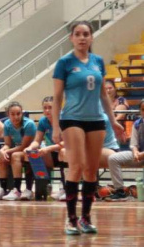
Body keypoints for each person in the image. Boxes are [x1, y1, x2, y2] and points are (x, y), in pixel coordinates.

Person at [52, 21, 124, 235]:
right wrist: (56, 126)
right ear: (71, 38)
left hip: (96, 120)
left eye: (86, 34)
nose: (82, 37)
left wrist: (112, 120)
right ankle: (71, 219)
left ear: (91, 38)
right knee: (76, 166)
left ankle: (86, 218)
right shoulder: (64, 63)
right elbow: (56, 98)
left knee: (91, 170)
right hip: (72, 118)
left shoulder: (98, 62)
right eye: (78, 34)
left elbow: (103, 95)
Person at [0, 102, 36, 201]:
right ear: (8, 114)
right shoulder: (7, 124)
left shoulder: (29, 124)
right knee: (1, 158)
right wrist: (2, 151)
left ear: (22, 114)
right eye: (12, 114)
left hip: (31, 151)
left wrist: (7, 151)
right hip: (19, 150)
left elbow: (24, 146)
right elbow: (7, 144)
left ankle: (18, 190)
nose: (16, 117)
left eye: (18, 114)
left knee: (15, 155)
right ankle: (2, 189)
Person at [28, 96, 65, 200]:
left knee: (63, 151)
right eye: (45, 108)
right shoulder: (43, 121)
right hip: (52, 153)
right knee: (36, 153)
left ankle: (65, 188)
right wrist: (30, 147)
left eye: (50, 107)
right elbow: (37, 140)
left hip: (67, 151)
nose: (47, 110)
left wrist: (49, 148)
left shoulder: (64, 119)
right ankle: (44, 187)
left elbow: (68, 142)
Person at [106, 101, 144, 201]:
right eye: (143, 110)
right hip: (139, 155)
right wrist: (136, 152)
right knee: (113, 158)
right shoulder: (137, 124)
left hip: (142, 155)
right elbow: (134, 144)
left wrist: (141, 154)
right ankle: (120, 191)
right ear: (140, 111)